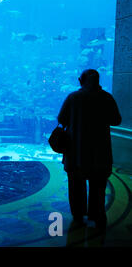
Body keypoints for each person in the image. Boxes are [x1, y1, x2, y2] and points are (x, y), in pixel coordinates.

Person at [58, 69, 121, 229]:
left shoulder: (73, 98)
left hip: (76, 153)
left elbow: (61, 119)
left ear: (81, 80)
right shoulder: (106, 97)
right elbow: (116, 120)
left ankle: (78, 216)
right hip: (100, 153)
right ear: (98, 80)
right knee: (98, 187)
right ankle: (97, 214)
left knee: (76, 185)